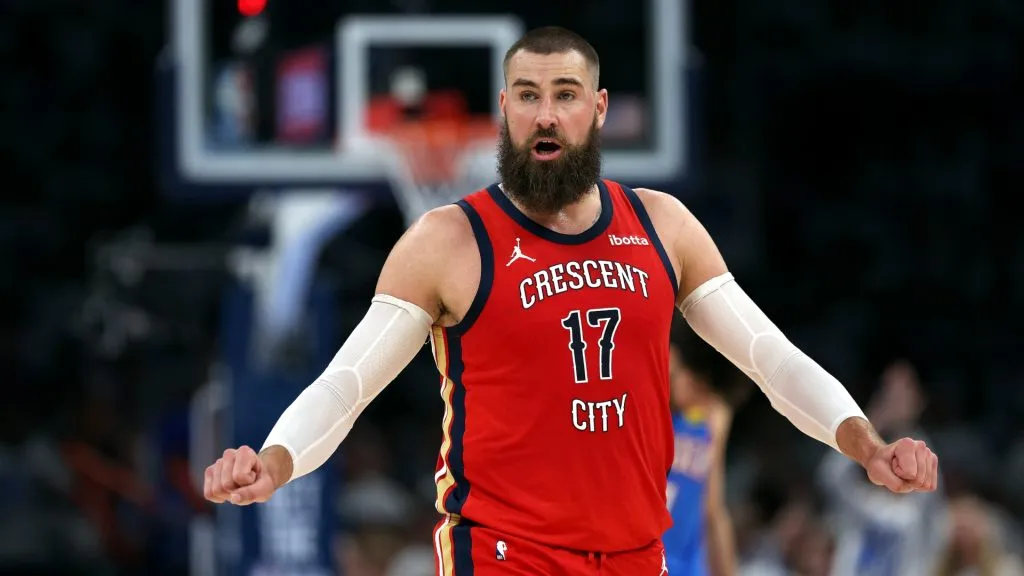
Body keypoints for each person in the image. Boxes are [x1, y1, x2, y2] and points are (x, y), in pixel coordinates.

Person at [202, 26, 940, 576]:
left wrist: (865, 443)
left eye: (564, 95)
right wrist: (277, 459)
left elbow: (769, 359)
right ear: (504, 110)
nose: (546, 115)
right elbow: (347, 383)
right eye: (528, 96)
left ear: (598, 108)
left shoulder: (662, 225)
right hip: (504, 553)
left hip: (635, 554)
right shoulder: (447, 241)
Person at [664, 314, 747, 576]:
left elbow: (713, 509)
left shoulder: (715, 415)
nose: (701, 404)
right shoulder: (639, 393)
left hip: (685, 565)